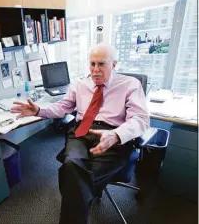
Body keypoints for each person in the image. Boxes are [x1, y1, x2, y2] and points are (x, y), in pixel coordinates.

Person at [11, 44, 149, 224]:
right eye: (92, 64)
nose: (95, 70)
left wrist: (116, 135)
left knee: (72, 176)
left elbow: (140, 119)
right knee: (72, 165)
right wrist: (39, 111)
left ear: (114, 65)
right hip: (81, 132)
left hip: (112, 136)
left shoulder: (130, 85)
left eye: (101, 64)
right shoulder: (80, 84)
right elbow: (62, 108)